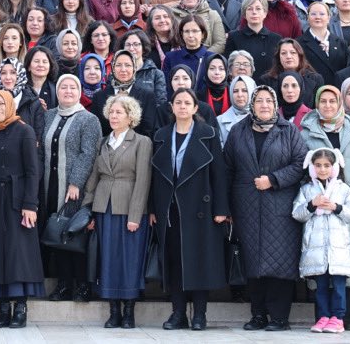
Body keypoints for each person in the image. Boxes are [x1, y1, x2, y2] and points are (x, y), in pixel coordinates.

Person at [223, 84, 307, 331]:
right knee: (253, 263)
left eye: (268, 101)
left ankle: (280, 317)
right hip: (246, 207)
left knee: (280, 263)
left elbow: (301, 163)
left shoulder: (288, 131)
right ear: (252, 104)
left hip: (280, 207)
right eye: (259, 101)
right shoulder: (239, 131)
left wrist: (274, 179)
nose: (264, 105)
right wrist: (227, 206)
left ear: (275, 104)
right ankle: (258, 314)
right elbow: (227, 169)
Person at [149, 87, 229, 331]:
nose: (182, 106)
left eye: (187, 103)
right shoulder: (161, 135)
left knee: (199, 261)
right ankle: (178, 313)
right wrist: (152, 207)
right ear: (171, 107)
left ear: (196, 108)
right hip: (170, 210)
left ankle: (200, 315)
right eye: (178, 102)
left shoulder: (208, 134)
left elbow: (219, 174)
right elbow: (154, 177)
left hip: (199, 209)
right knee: (174, 262)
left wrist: (221, 208)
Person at [0, 89, 43, 328]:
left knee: (18, 253)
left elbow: (33, 171)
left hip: (17, 200)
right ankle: (3, 308)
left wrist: (30, 204)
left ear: (11, 105)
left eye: (1, 103)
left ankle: (20, 307)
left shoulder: (24, 131)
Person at [83, 92, 152, 329]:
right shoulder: (103, 141)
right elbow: (94, 178)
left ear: (130, 116)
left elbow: (143, 181)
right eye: (111, 112)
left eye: (119, 112)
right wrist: (89, 211)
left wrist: (135, 216)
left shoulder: (142, 142)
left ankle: (129, 312)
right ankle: (113, 311)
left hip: (129, 210)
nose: (113, 116)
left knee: (129, 260)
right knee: (108, 259)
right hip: (104, 208)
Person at [41, 74, 101, 302]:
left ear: (79, 92)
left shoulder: (89, 119)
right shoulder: (48, 116)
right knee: (57, 234)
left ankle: (82, 285)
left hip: (74, 187)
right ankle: (63, 284)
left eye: (72, 87)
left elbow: (89, 154)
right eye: (63, 87)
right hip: (50, 184)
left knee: (74, 235)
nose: (67, 91)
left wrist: (76, 182)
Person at [292, 147, 350, 334]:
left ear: (334, 167)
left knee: (338, 286)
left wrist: (336, 207)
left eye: (327, 165)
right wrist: (312, 205)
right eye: (318, 165)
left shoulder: (343, 189)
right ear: (312, 168)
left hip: (338, 249)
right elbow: (297, 214)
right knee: (320, 286)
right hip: (316, 248)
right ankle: (323, 317)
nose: (322, 169)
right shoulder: (306, 190)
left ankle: (338, 318)